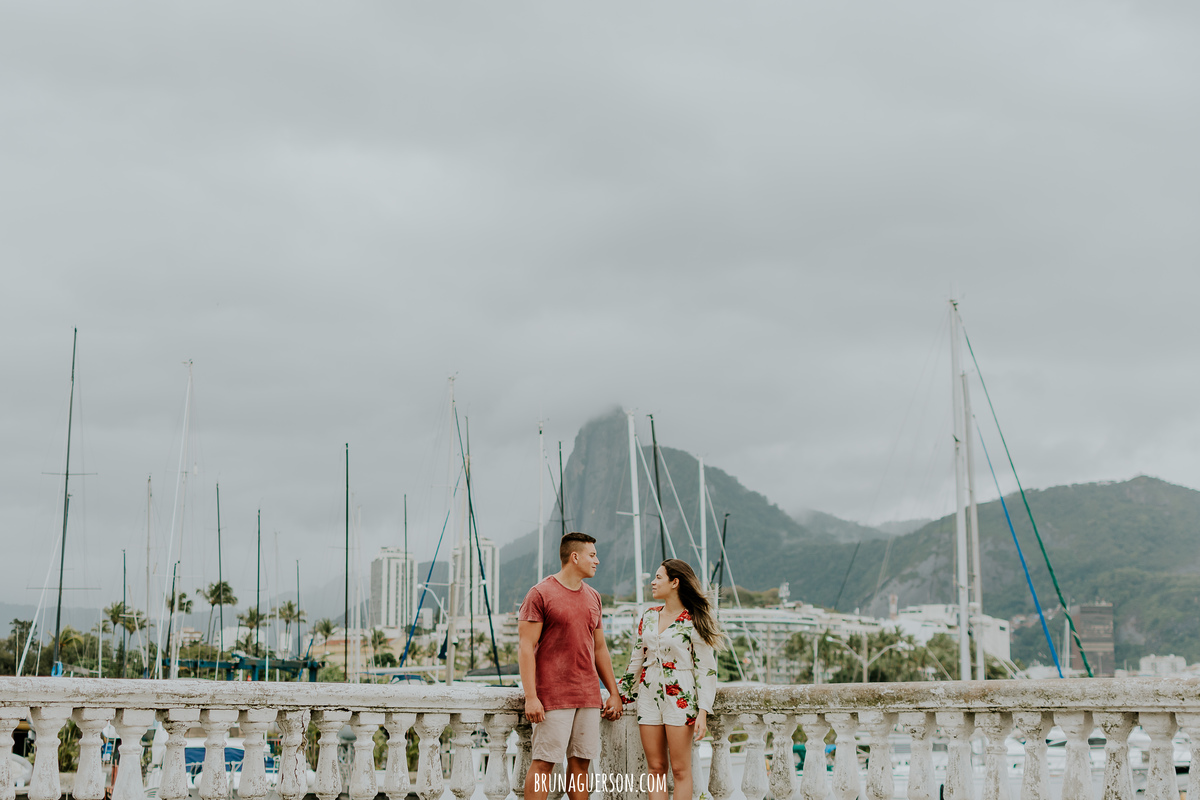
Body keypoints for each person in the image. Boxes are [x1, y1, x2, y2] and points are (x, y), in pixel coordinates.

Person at [519, 532, 624, 800]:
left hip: (588, 695)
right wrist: (531, 697)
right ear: (574, 557)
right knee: (544, 763)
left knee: (581, 764)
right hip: (553, 696)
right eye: (592, 555)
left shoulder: (593, 597)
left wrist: (613, 692)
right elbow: (525, 647)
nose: (597, 561)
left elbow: (600, 648)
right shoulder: (540, 593)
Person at [618, 559, 726, 800]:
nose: (653, 582)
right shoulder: (648, 616)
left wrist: (703, 711)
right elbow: (637, 660)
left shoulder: (693, 620)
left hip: (681, 699)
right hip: (648, 698)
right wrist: (619, 696)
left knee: (679, 769)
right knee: (655, 768)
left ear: (674, 582)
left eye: (658, 577)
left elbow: (706, 668)